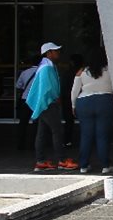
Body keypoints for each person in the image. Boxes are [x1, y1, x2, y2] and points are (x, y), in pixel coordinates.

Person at [26, 42, 77, 172]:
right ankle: (62, 160)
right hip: (49, 103)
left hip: (44, 103)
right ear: (48, 53)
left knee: (42, 133)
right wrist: (55, 98)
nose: (58, 52)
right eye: (55, 50)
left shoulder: (45, 65)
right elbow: (46, 87)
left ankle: (41, 161)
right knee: (57, 131)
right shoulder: (47, 67)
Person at [71, 47, 113, 174]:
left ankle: (83, 166)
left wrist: (73, 105)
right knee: (103, 135)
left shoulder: (82, 71)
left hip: (84, 103)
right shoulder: (110, 70)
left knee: (86, 135)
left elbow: (74, 90)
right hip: (105, 101)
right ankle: (105, 165)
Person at [14, 55, 40, 150]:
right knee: (36, 123)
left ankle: (20, 144)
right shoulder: (42, 73)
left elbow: (18, 86)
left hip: (25, 99)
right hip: (37, 101)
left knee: (23, 123)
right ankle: (34, 144)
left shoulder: (25, 72)